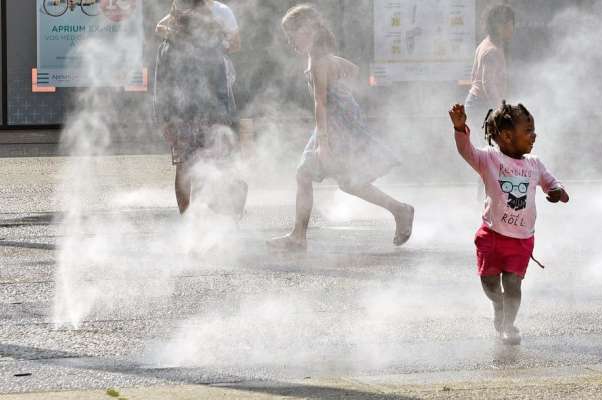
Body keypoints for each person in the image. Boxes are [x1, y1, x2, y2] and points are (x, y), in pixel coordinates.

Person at [269, 4, 415, 251]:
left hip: (334, 125)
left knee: (305, 175)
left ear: (309, 30)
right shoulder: (320, 57)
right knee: (349, 182)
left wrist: (323, 142)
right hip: (342, 122)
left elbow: (320, 103)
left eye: (292, 32)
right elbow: (353, 70)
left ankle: (298, 237)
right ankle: (400, 210)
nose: (290, 40)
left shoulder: (317, 60)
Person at [448, 102, 570, 346]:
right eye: (528, 130)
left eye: (533, 129)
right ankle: (498, 305)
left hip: (521, 239)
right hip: (491, 236)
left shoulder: (534, 164)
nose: (534, 135)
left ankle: (508, 324)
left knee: (513, 284)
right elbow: (467, 152)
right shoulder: (489, 159)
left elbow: (552, 183)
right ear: (506, 136)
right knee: (490, 283)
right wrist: (461, 128)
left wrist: (559, 192)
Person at [153, 0, 245, 215]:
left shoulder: (206, 40)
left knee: (204, 167)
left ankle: (202, 218)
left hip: (203, 116)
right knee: (191, 168)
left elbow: (220, 85)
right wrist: (165, 120)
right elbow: (162, 85)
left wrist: (164, 119)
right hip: (189, 117)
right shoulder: (169, 47)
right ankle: (192, 222)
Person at [464, 5, 515, 128]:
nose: (511, 28)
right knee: (487, 144)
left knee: (486, 144)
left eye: (512, 24)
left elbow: (474, 75)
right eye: (508, 24)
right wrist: (500, 109)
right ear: (498, 26)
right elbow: (488, 84)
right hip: (481, 104)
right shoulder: (491, 50)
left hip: (478, 102)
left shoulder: (488, 43)